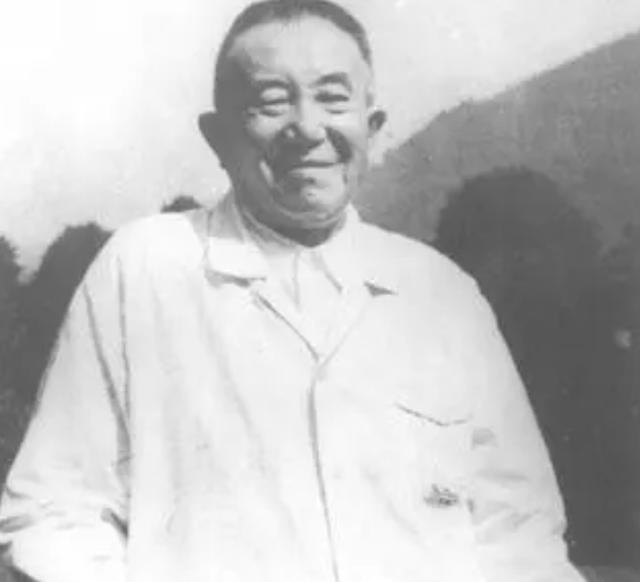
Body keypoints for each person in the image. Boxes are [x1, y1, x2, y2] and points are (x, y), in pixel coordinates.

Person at [0, 1, 585, 581]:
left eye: (333, 98)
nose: (307, 129)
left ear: (372, 127)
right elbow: (54, 515)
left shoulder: (443, 294)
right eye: (271, 101)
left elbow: (520, 533)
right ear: (218, 137)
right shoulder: (143, 270)